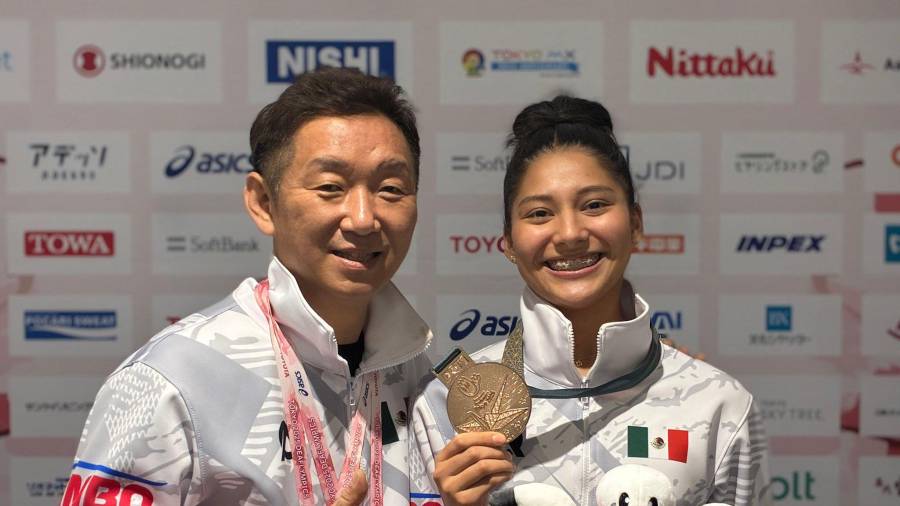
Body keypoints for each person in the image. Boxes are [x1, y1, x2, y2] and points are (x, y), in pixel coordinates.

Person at [62, 67, 433, 506]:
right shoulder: (173, 378)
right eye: (331, 187)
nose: (363, 218)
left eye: (391, 188)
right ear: (263, 202)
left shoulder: (419, 373)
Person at [408, 96, 771, 506]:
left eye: (594, 205)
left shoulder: (718, 403)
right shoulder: (443, 404)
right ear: (508, 242)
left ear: (635, 223)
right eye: (540, 213)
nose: (569, 233)